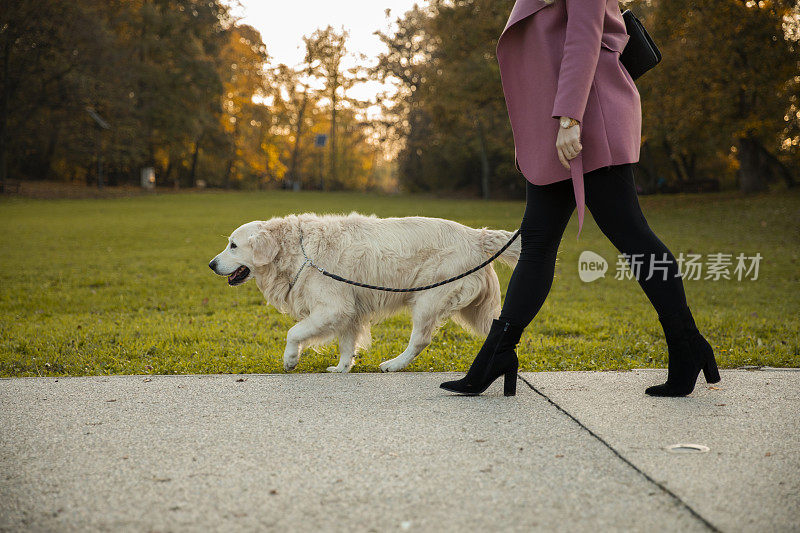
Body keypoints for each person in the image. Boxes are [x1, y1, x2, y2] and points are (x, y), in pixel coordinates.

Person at [440, 0, 720, 398]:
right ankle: (495, 357)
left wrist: (570, 118)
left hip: (585, 119)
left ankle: (687, 345)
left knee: (634, 238)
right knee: (536, 243)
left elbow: (584, 36)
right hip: (552, 126)